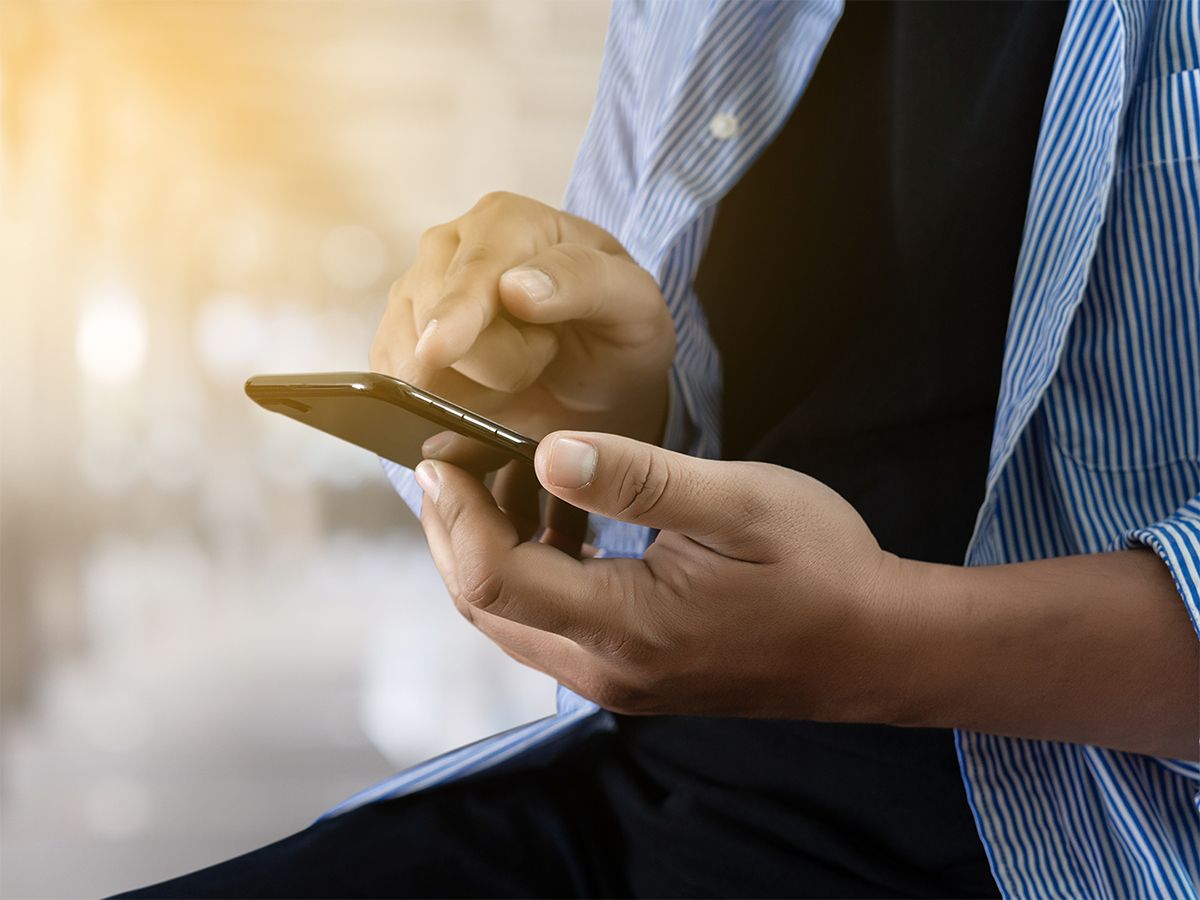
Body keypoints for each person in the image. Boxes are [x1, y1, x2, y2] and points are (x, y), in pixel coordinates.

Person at [123, 0, 1199, 897]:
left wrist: (891, 647)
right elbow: (716, 416)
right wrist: (605, 409)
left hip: (1088, 852)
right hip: (657, 796)